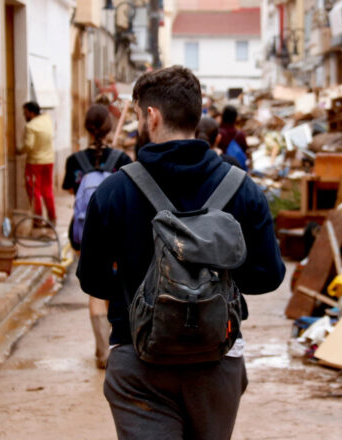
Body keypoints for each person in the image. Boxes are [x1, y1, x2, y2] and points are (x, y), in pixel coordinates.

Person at [77, 66, 285, 440]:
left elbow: (91, 278)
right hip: (217, 359)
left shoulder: (113, 192)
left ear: (151, 116)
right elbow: (268, 275)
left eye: (139, 114)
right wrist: (215, 286)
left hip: (139, 362)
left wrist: (136, 292)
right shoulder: (242, 189)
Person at [62, 104, 131, 369]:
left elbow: (72, 193)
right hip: (117, 231)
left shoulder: (74, 161)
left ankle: (103, 353)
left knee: (95, 290)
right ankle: (119, 344)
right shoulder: (122, 160)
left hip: (84, 233)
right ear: (109, 127)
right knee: (118, 286)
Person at [19, 101, 56, 228]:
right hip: (49, 160)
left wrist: (19, 150)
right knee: (48, 190)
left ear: (31, 112)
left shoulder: (31, 127)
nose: (25, 116)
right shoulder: (47, 120)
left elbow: (29, 146)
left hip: (35, 162)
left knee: (35, 191)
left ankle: (38, 220)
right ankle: (52, 218)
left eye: (25, 113)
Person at [218, 105, 249, 170]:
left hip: (221, 167)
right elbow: (245, 150)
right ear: (235, 118)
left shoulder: (218, 134)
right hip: (237, 168)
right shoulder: (240, 134)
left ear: (222, 116)